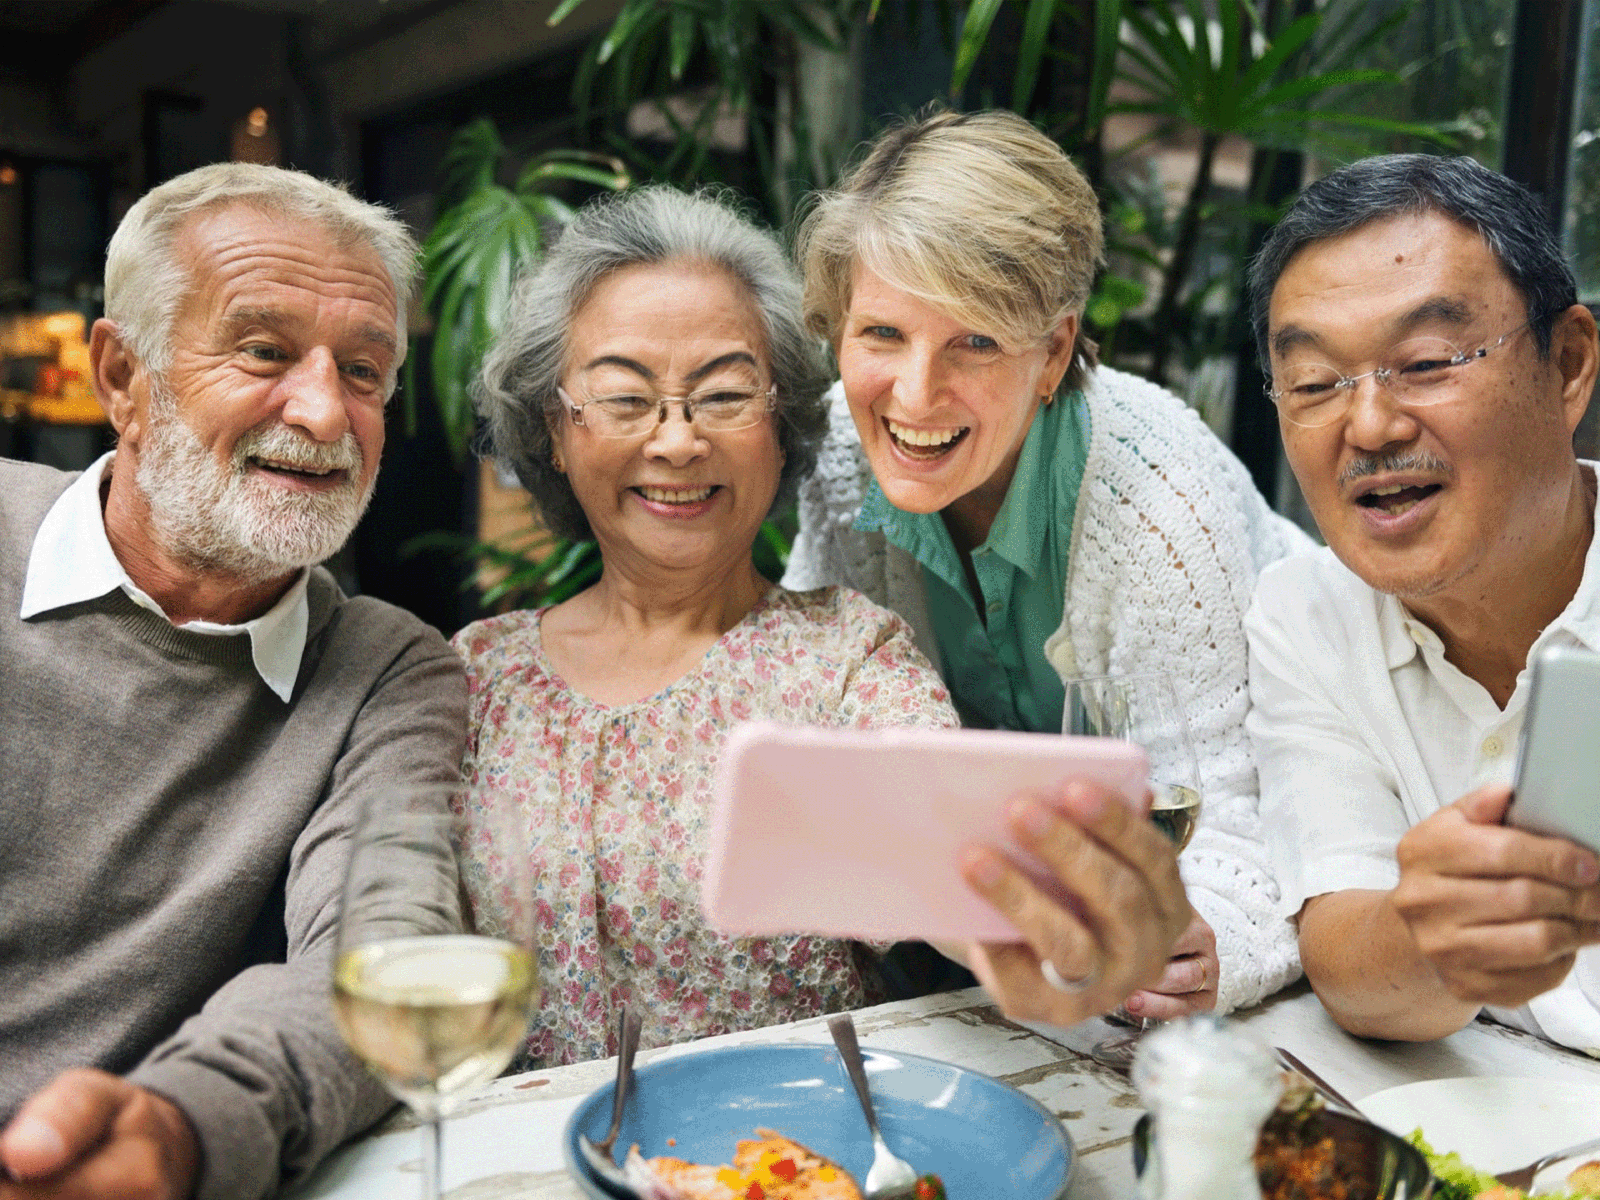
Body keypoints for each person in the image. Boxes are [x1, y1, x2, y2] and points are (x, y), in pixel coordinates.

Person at [454, 184, 1193, 1063]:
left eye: (725, 395)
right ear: (556, 428)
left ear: (781, 422)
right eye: (624, 399)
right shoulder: (474, 677)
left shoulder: (850, 660)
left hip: (788, 1158)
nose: (679, 441)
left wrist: (1044, 940)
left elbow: (946, 863)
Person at [0, 163, 468, 1200]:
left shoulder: (388, 671)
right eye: (263, 352)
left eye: (362, 371)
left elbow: (376, 963)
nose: (322, 413)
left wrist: (183, 1128)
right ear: (124, 378)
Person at [785, 108, 1308, 1019]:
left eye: (975, 341)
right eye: (881, 335)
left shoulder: (1158, 496)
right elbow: (821, 710)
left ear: (1054, 350)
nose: (913, 394)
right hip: (1000, 967)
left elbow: (1242, 811)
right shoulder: (837, 447)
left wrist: (1195, 945)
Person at [1246, 153, 1600, 1046]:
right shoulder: (1307, 612)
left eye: (1427, 361)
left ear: (1568, 365)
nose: (1369, 426)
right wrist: (1434, 935)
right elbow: (1350, 964)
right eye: (1317, 383)